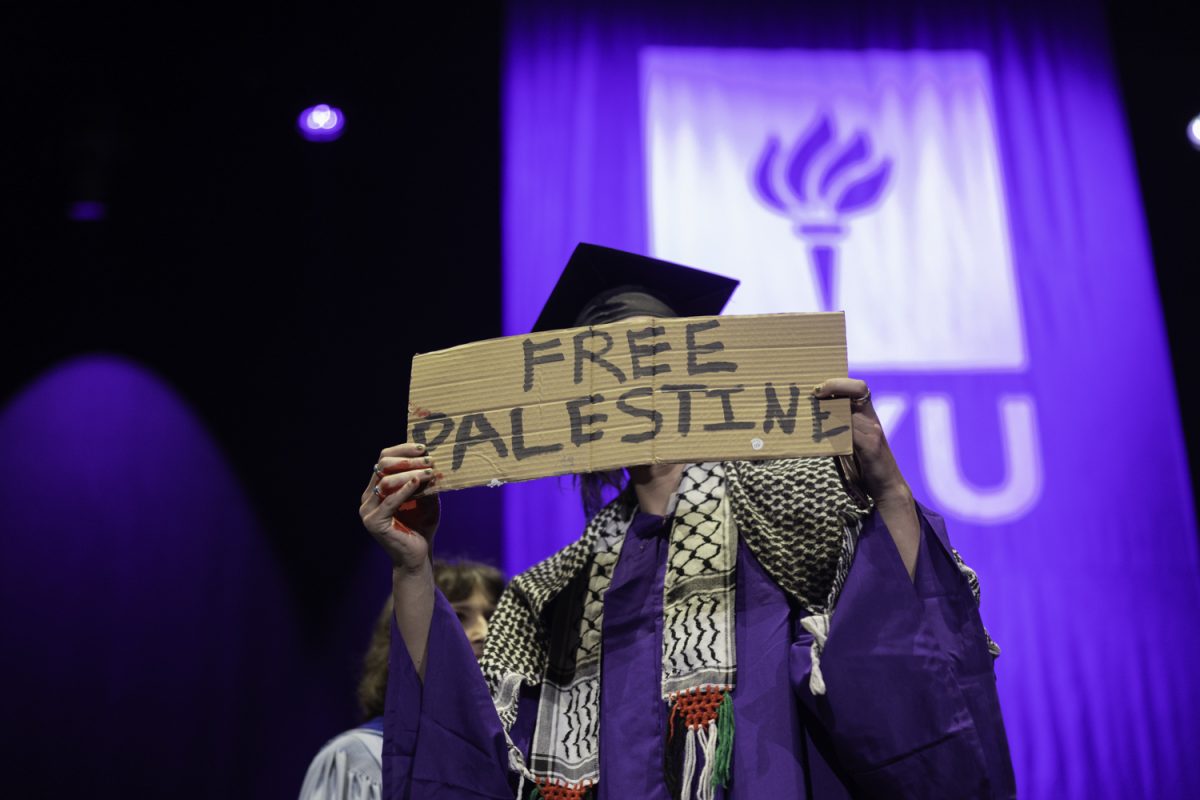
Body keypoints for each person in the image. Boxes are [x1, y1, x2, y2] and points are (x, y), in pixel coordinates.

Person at [360, 244, 1016, 799]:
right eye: (598, 370)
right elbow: (468, 746)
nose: (624, 386)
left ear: (689, 376)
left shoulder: (790, 506)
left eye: (648, 358)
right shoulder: (553, 593)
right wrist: (413, 564)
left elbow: (901, 645)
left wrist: (888, 489)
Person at [298, 560, 504, 800]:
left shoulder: (512, 766)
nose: (485, 633)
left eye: (495, 618)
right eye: (458, 617)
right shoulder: (359, 761)